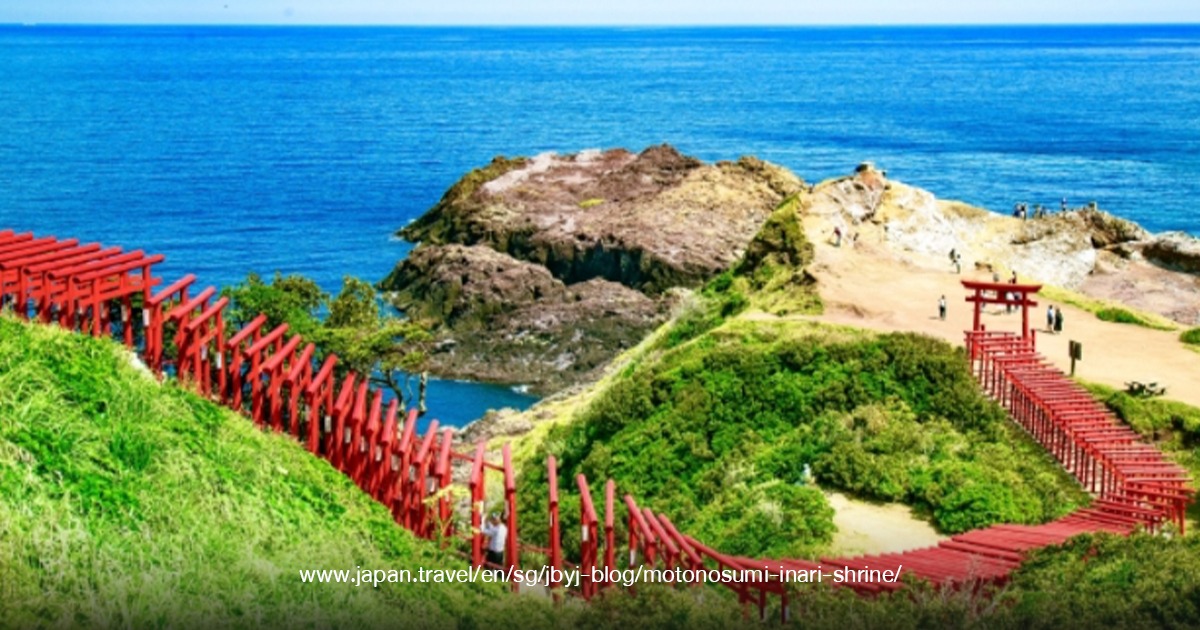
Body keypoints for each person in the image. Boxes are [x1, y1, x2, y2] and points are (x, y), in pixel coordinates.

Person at [481, 512, 507, 577]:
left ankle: (488, 579)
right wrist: (488, 523)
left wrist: (482, 521)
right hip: (500, 551)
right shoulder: (503, 528)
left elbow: (483, 531)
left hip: (494, 552)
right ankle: (501, 582)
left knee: (488, 566)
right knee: (499, 568)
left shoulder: (496, 529)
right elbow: (492, 529)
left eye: (493, 520)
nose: (492, 521)